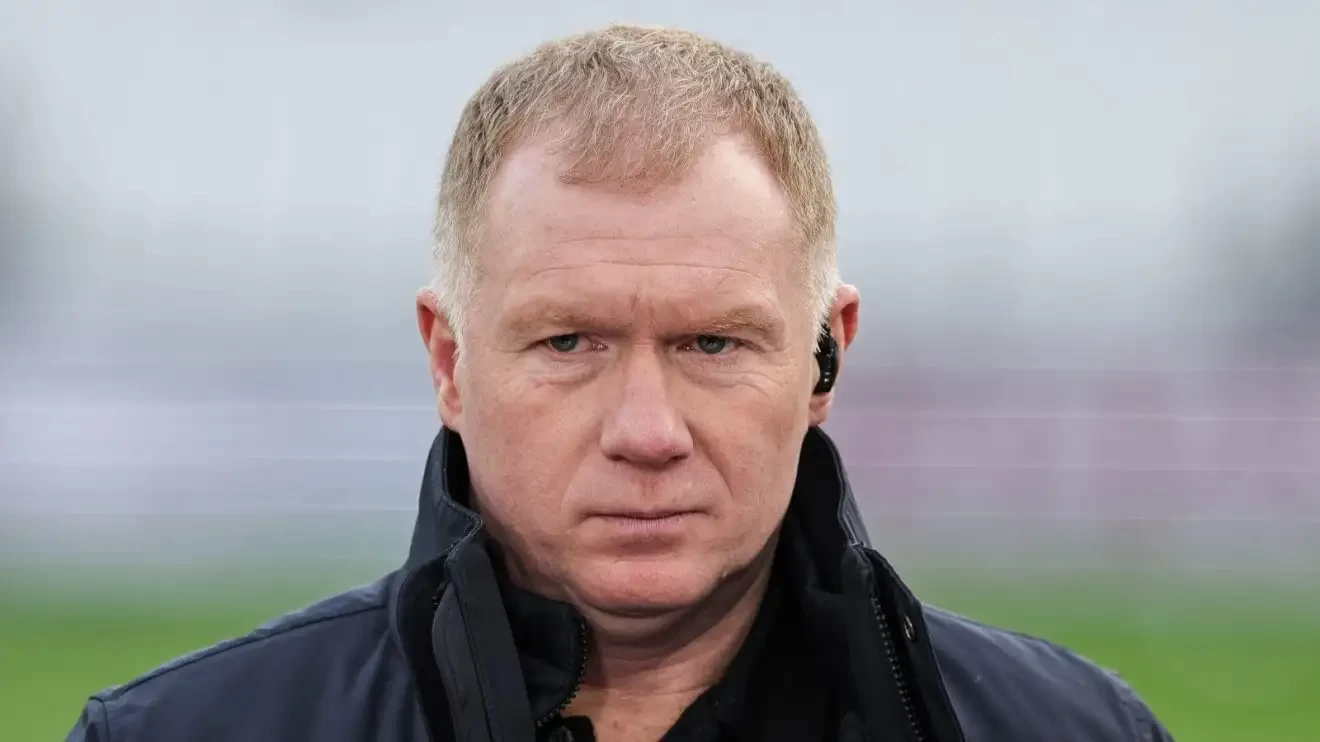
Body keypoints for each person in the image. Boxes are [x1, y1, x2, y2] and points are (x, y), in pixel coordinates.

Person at [66, 24, 1173, 742]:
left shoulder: (1076, 731)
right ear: (449, 360)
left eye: (713, 345)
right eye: (569, 343)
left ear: (823, 355)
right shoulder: (177, 733)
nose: (647, 432)